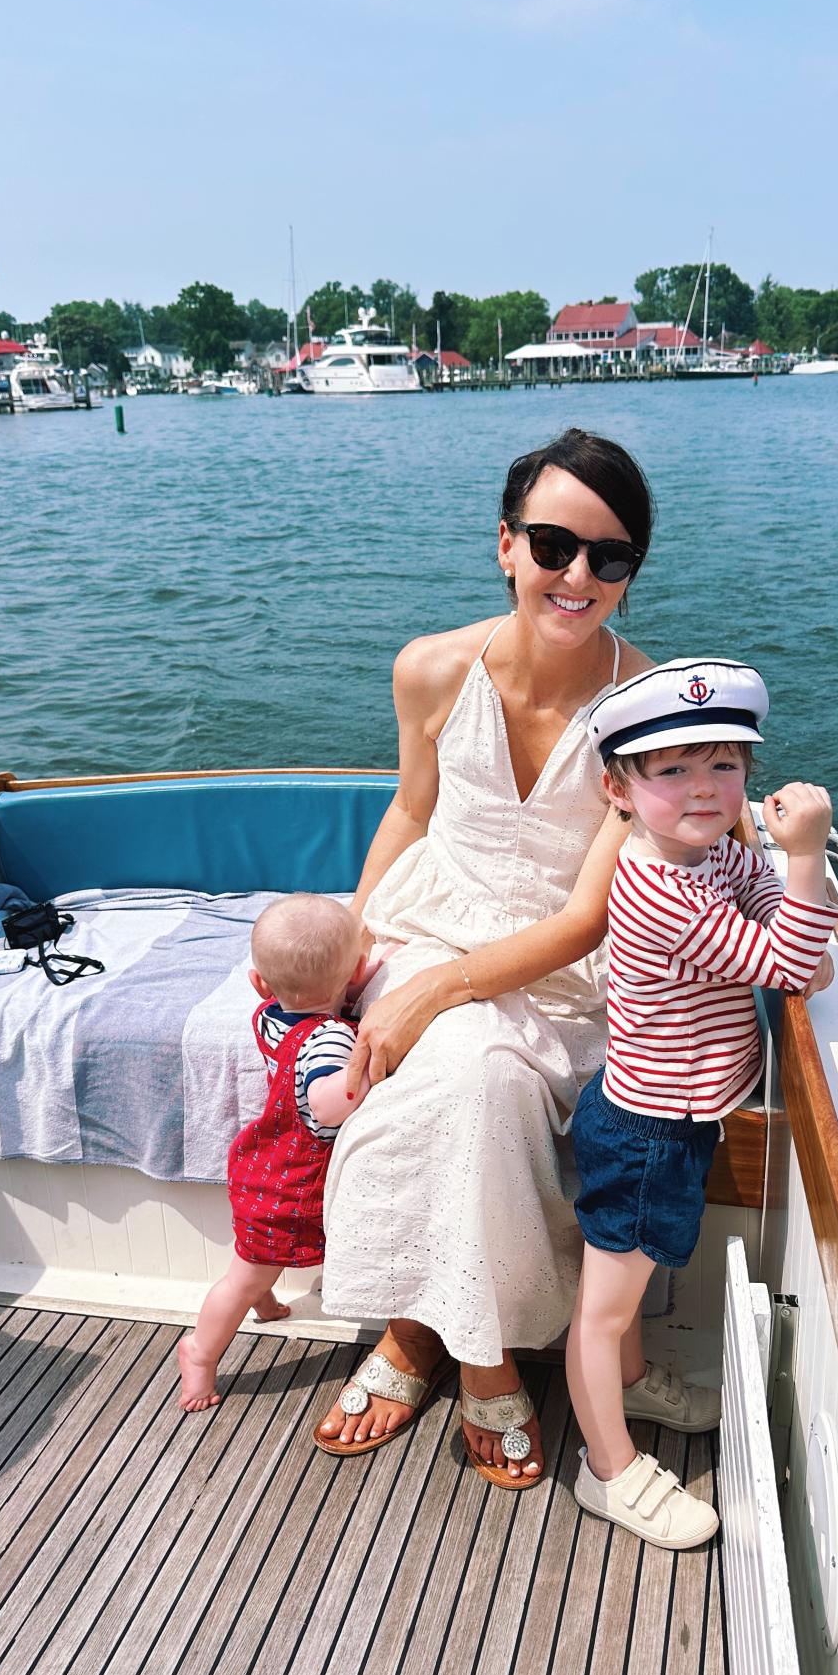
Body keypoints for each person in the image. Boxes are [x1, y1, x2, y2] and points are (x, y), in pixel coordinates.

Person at [312, 428, 662, 1485]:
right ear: (505, 545)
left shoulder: (646, 710)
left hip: (559, 964)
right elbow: (413, 810)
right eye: (555, 545)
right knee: (458, 1066)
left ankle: (436, 1340)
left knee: (470, 1067)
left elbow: (590, 923)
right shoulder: (429, 670)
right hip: (432, 923)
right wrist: (354, 942)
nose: (579, 576)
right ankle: (467, 1344)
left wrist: (435, 995)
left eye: (611, 558)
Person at [565, 659, 838, 1546]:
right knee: (603, 1313)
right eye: (672, 769)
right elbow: (793, 959)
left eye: (724, 765)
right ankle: (606, 1469)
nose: (705, 789)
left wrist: (781, 880)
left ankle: (638, 1384)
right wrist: (806, 855)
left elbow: (764, 898)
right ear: (619, 788)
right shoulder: (655, 889)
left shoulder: (710, 850)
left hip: (678, 1122)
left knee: (633, 1293)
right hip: (648, 1132)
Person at [177, 893, 367, 1412]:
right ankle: (199, 1351)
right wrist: (367, 1069)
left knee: (258, 1260)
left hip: (261, 1166)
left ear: (261, 983)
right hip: (288, 1182)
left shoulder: (268, 1015)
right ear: (358, 973)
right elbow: (329, 1105)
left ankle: (265, 1302)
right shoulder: (331, 1040)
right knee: (246, 1273)